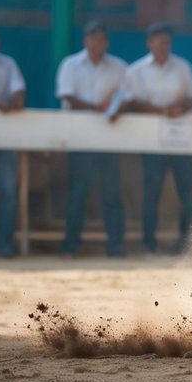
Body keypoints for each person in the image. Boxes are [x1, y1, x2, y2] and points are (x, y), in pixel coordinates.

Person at [110, 23, 192, 255]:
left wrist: (180, 108)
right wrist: (161, 111)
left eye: (167, 42)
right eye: (158, 41)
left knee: (187, 193)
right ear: (149, 43)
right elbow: (132, 101)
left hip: (181, 139)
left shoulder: (182, 66)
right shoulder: (135, 71)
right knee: (151, 192)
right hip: (151, 141)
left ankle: (188, 244)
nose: (163, 46)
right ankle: (148, 244)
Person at [56, 21, 128, 257]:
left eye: (103, 39)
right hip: (81, 139)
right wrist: (96, 107)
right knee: (78, 192)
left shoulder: (119, 67)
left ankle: (116, 245)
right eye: (94, 38)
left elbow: (128, 94)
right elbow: (67, 96)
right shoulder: (70, 65)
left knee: (112, 193)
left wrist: (118, 107)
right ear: (85, 41)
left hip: (109, 139)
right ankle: (71, 244)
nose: (99, 43)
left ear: (107, 42)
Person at [0, 28, 26, 257]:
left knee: (9, 192)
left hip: (2, 139)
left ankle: (5, 246)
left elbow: (19, 95)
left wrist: (12, 104)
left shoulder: (8, 64)